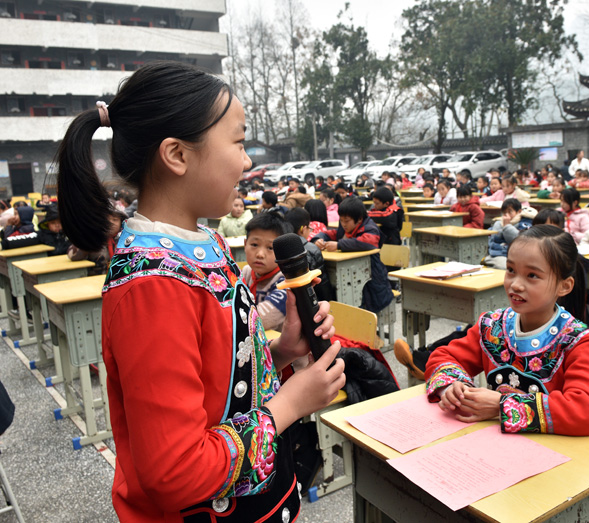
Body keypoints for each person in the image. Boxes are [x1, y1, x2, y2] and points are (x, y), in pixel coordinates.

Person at [55, 61, 345, 522]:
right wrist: (292, 403)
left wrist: (283, 354)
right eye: (238, 141)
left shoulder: (202, 243)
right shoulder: (152, 287)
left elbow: (214, 382)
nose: (247, 161)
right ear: (177, 155)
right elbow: (175, 471)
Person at [425, 225, 589, 435]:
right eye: (511, 270)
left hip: (554, 455)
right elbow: (443, 356)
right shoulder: (492, 326)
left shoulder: (578, 341)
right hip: (494, 444)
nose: (516, 285)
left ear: (564, 286)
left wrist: (501, 405)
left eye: (532, 275)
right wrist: (454, 388)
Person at [312, 196, 393, 314]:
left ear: (359, 219)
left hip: (373, 279)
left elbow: (367, 241)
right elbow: (329, 233)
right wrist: (318, 239)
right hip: (350, 274)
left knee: (363, 307)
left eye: (346, 221)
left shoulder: (370, 228)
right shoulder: (344, 229)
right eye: (341, 220)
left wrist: (339, 245)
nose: (343, 224)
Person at [484, 198, 536, 270]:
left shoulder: (524, 223)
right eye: (504, 213)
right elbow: (496, 237)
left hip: (518, 255)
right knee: (506, 267)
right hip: (499, 254)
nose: (507, 215)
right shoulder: (498, 223)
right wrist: (504, 225)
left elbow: (519, 241)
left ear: (519, 212)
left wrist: (507, 226)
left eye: (510, 212)